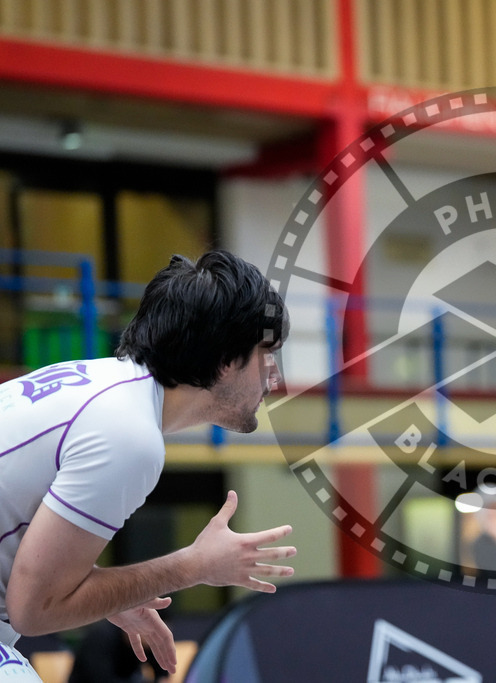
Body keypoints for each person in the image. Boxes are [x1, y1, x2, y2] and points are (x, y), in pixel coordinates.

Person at [0, 250, 296, 681]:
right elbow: (34, 610)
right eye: (266, 353)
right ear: (226, 360)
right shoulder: (129, 435)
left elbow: (35, 576)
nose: (274, 376)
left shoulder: (104, 386)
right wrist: (195, 565)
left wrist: (112, 596)